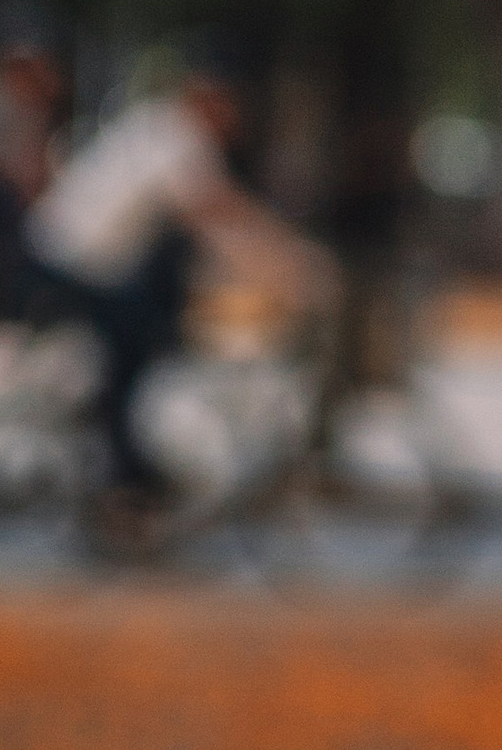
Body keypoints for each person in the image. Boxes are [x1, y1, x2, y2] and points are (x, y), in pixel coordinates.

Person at [24, 46, 312, 489]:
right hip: (67, 268)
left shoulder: (164, 128)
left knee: (148, 330)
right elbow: (219, 220)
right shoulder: (175, 137)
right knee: (137, 356)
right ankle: (122, 482)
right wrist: (296, 271)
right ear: (209, 98)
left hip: (81, 266)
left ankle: (125, 476)